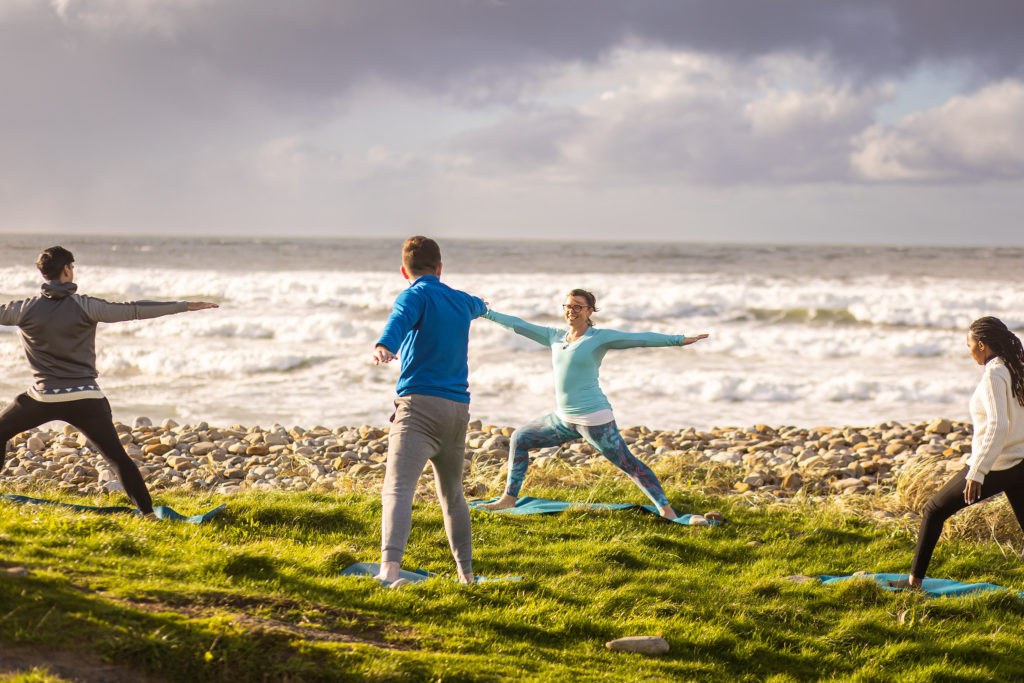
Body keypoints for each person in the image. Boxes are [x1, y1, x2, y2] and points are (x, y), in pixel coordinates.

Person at [0, 246, 218, 517]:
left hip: (43, 398)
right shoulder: (86, 306)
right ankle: (148, 514)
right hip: (87, 399)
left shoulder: (23, 309)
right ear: (67, 269)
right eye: (73, 267)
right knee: (117, 458)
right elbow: (135, 310)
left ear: (41, 273)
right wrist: (184, 305)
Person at [480, 288, 708, 519]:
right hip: (563, 419)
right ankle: (508, 499)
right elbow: (518, 325)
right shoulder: (555, 337)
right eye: (568, 306)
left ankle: (667, 511)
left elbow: (640, 338)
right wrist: (486, 312)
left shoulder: (598, 338)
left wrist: (679, 340)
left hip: (593, 419)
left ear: (589, 311)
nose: (571, 311)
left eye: (578, 306)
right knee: (520, 437)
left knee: (629, 464)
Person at [372, 236, 487, 586]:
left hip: (419, 408)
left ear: (403, 271)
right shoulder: (460, 300)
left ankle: (389, 571)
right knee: (452, 495)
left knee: (398, 488)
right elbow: (479, 304)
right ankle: (466, 575)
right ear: (440, 268)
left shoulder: (413, 294)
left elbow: (399, 319)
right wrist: (482, 304)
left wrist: (384, 346)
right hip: (457, 410)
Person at [887, 316, 1024, 589]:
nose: (969, 350)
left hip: (999, 464)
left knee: (934, 509)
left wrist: (978, 471)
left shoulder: (995, 373)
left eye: (969, 344)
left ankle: (913, 582)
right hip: (1019, 462)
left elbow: (997, 426)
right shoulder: (1016, 367)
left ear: (982, 345)